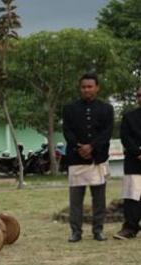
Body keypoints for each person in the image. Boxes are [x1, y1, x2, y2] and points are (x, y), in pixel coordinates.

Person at [63, 73, 114, 242]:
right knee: (76, 200)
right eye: (83, 87)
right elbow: (67, 131)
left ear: (97, 88)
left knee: (99, 199)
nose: (86, 90)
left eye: (90, 86)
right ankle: (76, 232)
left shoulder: (107, 108)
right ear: (80, 88)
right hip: (76, 158)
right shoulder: (69, 108)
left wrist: (92, 146)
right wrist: (80, 147)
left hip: (97, 158)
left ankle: (98, 230)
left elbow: (107, 132)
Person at [115, 87, 141, 240]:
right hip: (134, 162)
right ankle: (130, 228)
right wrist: (138, 153)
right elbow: (126, 138)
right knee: (132, 198)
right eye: (139, 95)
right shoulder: (129, 117)